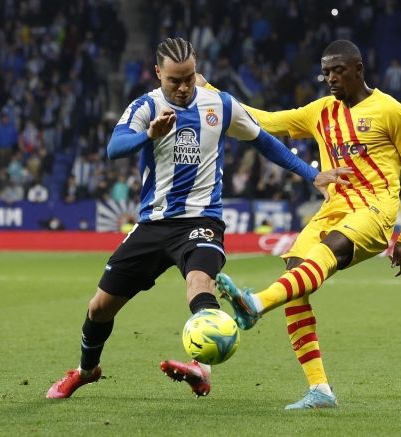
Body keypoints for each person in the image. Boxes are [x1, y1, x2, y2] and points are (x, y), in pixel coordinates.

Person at [46, 37, 347, 400]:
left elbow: (263, 140)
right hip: (153, 223)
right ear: (158, 74)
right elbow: (114, 148)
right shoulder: (146, 106)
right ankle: (86, 371)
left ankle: (201, 367)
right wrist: (149, 135)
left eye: (189, 77)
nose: (184, 87)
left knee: (199, 284)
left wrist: (311, 174)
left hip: (201, 221)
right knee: (99, 308)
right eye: (174, 80)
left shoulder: (219, 104)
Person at [207, 40, 401, 409]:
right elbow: (265, 120)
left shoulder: (391, 111)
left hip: (374, 209)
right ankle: (320, 390)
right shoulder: (321, 111)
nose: (330, 78)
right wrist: (210, 92)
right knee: (295, 279)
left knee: (325, 255)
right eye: (326, 72)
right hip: (334, 208)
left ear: (358, 69)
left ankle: (255, 303)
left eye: (338, 70)